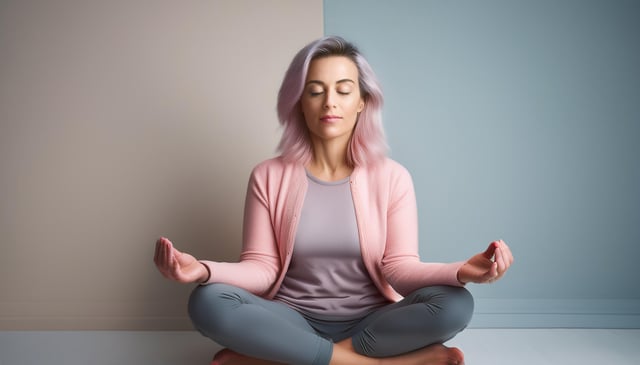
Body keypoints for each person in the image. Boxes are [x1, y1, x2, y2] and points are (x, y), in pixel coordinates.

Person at [154, 36, 513, 365]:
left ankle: (274, 358)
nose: (330, 102)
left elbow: (400, 269)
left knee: (455, 303)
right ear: (298, 102)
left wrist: (461, 271)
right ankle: (383, 363)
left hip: (372, 323)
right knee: (207, 300)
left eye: (343, 90)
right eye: (315, 91)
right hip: (290, 317)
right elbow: (261, 268)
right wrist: (203, 270)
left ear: (362, 102)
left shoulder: (393, 177)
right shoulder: (268, 175)